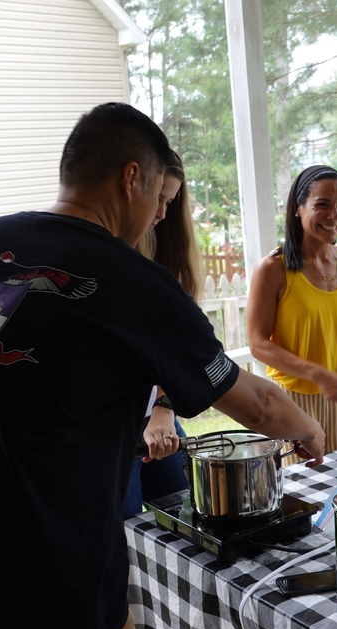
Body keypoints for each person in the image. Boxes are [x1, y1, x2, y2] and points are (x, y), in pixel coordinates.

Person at [0, 102, 325, 629]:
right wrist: (306, 426)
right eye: (161, 202)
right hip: (56, 593)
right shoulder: (136, 284)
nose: (161, 218)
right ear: (132, 177)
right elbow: (252, 401)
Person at [246, 164, 337, 462]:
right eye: (322, 205)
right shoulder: (273, 268)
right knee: (302, 499)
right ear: (298, 207)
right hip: (292, 405)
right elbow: (257, 344)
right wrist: (319, 375)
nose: (334, 216)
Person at [123, 151, 204, 518]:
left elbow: (181, 352)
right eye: (159, 199)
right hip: (114, 429)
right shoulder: (110, 256)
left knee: (188, 512)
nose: (162, 213)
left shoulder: (170, 254)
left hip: (158, 414)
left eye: (171, 202)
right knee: (124, 533)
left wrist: (164, 408)